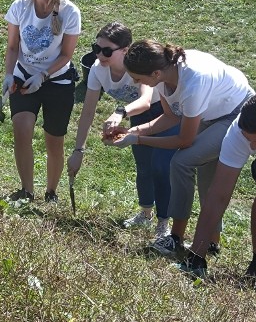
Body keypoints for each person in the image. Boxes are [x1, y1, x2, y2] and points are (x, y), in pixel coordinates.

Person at [106, 40, 254, 257]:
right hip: (210, 111)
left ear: (155, 73)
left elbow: (184, 140)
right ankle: (211, 241)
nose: (136, 82)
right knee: (206, 173)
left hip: (236, 112)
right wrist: (133, 131)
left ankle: (175, 238)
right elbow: (171, 117)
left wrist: (137, 140)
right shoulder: (165, 75)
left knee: (182, 162)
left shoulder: (193, 82)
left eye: (138, 78)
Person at [67, 23, 178, 237]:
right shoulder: (98, 71)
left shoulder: (137, 66)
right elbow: (88, 112)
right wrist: (78, 150)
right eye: (96, 48)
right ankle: (146, 214)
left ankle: (164, 222)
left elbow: (146, 100)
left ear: (125, 50)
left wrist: (120, 112)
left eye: (107, 50)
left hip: (161, 112)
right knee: (144, 166)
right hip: (134, 114)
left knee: (161, 168)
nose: (100, 54)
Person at [2, 0, 81, 204]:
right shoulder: (20, 6)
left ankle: (51, 192)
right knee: (21, 130)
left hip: (57, 81)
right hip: (24, 77)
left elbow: (67, 54)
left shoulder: (69, 12)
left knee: (54, 140)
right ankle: (26, 191)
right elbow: (13, 46)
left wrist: (44, 75)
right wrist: (8, 74)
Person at [179, 96, 256, 278]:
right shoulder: (237, 133)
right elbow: (218, 195)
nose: (252, 147)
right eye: (250, 141)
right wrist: (196, 255)